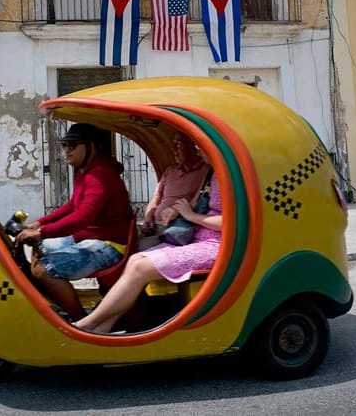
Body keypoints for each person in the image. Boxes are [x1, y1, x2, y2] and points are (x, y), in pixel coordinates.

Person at [74, 144, 221, 334]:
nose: (197, 150)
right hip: (195, 238)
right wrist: (176, 210)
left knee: (140, 267)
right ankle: (103, 326)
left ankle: (86, 324)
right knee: (135, 259)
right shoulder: (210, 173)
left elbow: (233, 221)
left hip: (217, 245)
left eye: (200, 145)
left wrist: (193, 217)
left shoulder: (230, 177)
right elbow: (192, 203)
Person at [15, 123, 132, 321]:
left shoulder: (100, 175)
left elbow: (83, 216)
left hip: (109, 245)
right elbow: (72, 205)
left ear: (91, 147)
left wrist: (43, 232)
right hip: (91, 236)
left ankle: (78, 322)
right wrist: (39, 224)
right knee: (38, 245)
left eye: (72, 144)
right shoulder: (84, 170)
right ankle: (56, 302)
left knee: (43, 271)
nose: (67, 149)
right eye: (64, 144)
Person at [141, 132, 210, 240]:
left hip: (177, 226)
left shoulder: (204, 171)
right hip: (154, 225)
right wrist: (148, 217)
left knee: (140, 249)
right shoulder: (170, 170)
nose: (173, 149)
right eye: (173, 143)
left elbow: (197, 201)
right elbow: (156, 198)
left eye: (178, 144)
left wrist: (176, 211)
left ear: (194, 147)